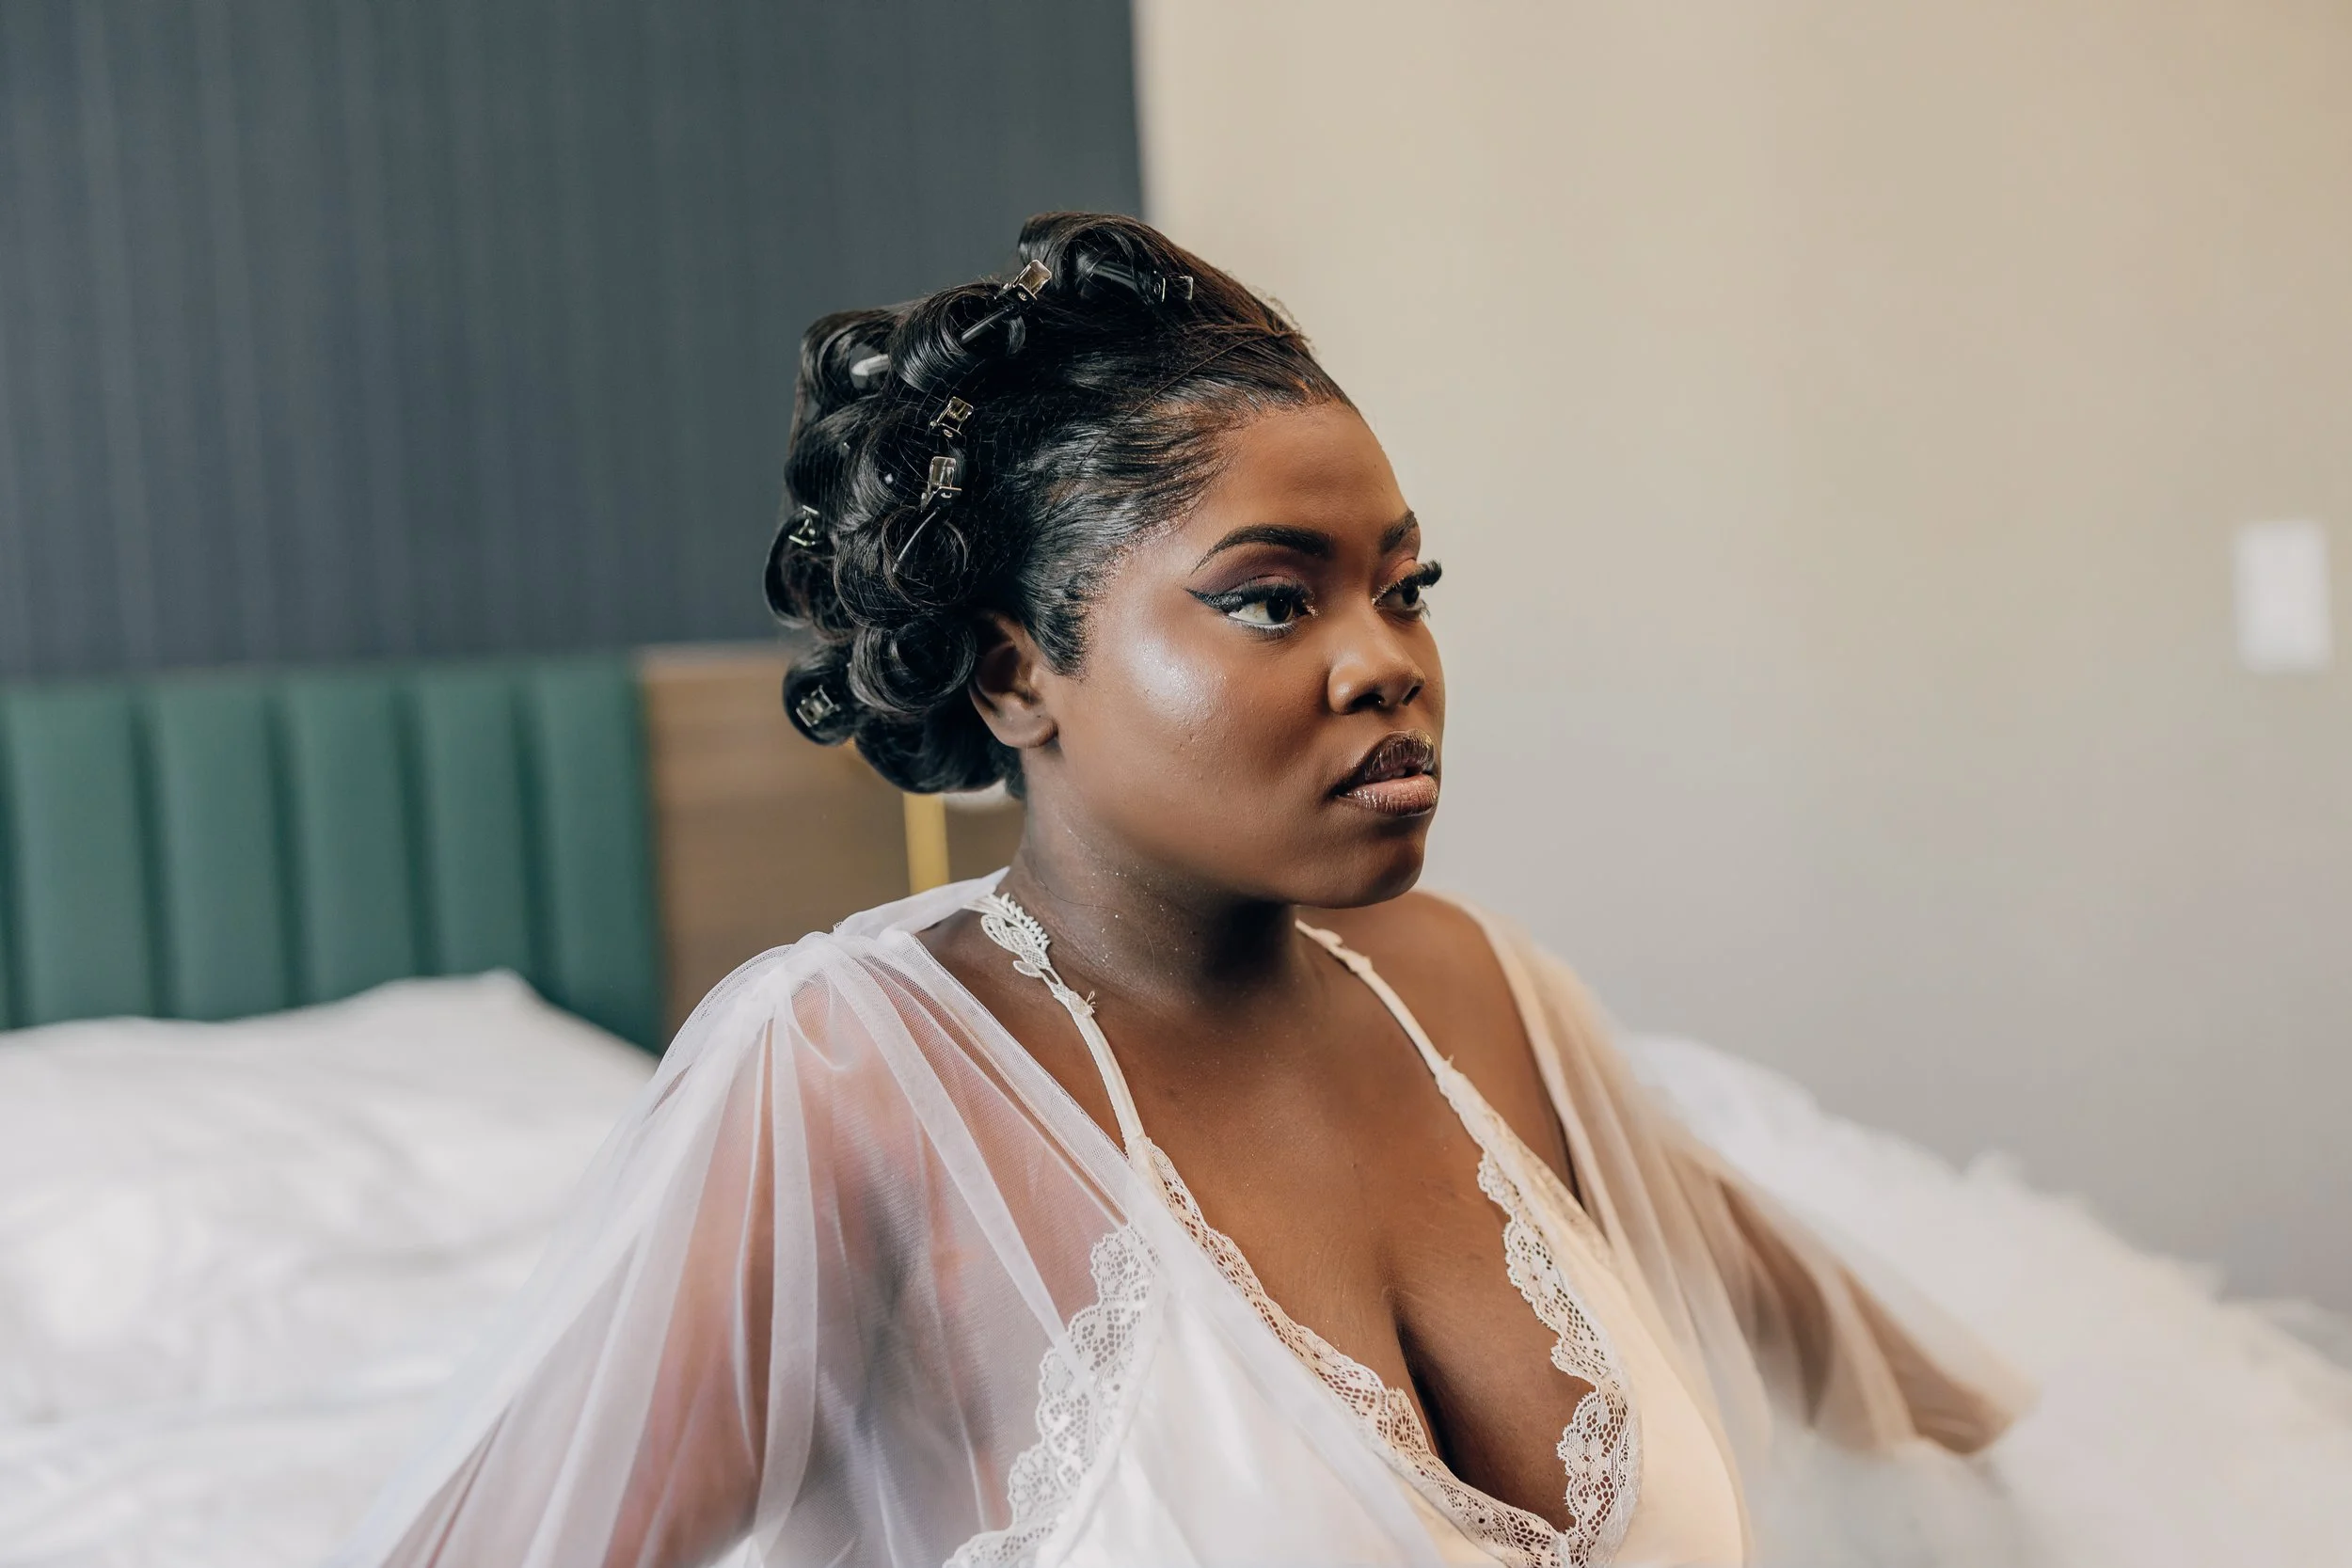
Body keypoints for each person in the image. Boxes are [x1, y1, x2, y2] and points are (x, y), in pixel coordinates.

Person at [333, 214, 2033, 1568]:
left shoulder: (1472, 991)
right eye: (1274, 600)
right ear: (1017, 674)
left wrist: (2074, 1459)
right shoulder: (853, 1073)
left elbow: (1834, 1345)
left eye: (1405, 586)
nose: (1389, 663)